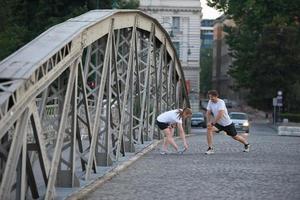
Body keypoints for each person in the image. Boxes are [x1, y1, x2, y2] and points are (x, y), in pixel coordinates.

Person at [205, 90, 250, 154]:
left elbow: (220, 114)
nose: (211, 99)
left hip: (227, 124)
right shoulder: (210, 102)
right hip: (218, 124)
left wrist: (213, 123)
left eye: (212, 97)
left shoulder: (221, 102)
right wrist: (208, 122)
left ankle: (246, 144)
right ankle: (210, 148)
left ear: (216, 96)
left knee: (235, 137)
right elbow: (208, 112)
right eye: (210, 97)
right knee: (209, 129)